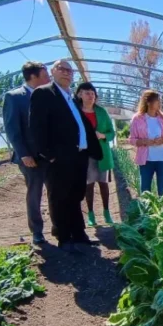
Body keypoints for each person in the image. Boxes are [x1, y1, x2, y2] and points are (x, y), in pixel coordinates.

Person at [29, 60, 102, 253]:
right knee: (59, 197)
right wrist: (49, 155)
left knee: (75, 196)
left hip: (78, 156)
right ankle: (64, 237)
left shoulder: (70, 98)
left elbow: (80, 125)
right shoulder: (44, 93)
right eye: (61, 69)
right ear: (52, 72)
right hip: (59, 158)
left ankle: (79, 234)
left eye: (70, 70)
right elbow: (37, 127)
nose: (67, 73)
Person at [2, 61, 51, 245]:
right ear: (34, 77)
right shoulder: (14, 97)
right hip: (31, 157)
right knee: (35, 193)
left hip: (50, 156)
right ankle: (37, 232)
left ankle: (59, 227)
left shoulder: (47, 96)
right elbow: (12, 129)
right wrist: (24, 154)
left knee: (55, 193)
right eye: (45, 75)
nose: (49, 79)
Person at [74, 81, 115, 226]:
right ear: (80, 94)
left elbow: (112, 132)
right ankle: (91, 214)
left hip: (102, 153)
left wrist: (103, 135)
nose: (91, 96)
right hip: (85, 154)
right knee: (88, 185)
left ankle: (106, 212)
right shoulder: (76, 111)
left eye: (92, 94)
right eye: (87, 93)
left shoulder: (101, 112)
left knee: (103, 184)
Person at [129, 89, 163, 196]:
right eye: (157, 100)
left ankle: (162, 212)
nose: (159, 103)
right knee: (145, 190)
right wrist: (144, 141)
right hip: (146, 160)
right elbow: (132, 139)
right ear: (148, 102)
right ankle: (146, 212)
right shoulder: (137, 119)